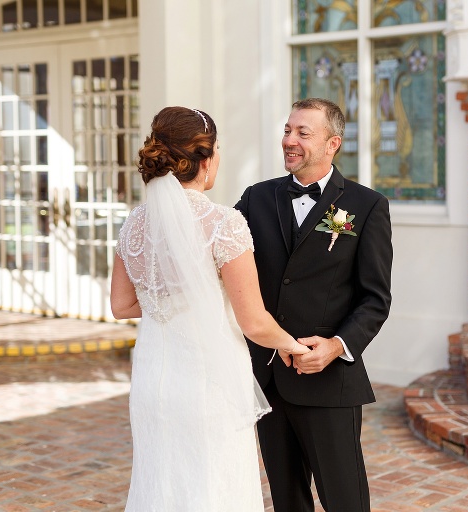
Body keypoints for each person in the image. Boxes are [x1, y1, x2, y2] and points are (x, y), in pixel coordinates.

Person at [110, 106, 309, 512]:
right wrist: (296, 346)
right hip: (207, 386)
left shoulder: (134, 223)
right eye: (217, 148)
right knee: (214, 490)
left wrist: (174, 303)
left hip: (152, 383)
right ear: (204, 158)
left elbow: (122, 305)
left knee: (160, 487)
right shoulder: (223, 223)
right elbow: (253, 321)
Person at [235, 98, 393, 512]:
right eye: (288, 130)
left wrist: (336, 346)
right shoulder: (256, 199)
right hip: (268, 378)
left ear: (332, 143)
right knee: (287, 500)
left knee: (345, 500)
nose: (290, 140)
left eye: (303, 133)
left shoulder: (366, 206)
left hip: (328, 382)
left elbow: (375, 300)